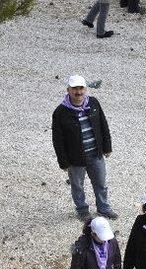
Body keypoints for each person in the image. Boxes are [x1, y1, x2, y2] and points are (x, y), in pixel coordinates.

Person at [52, 75, 118, 221]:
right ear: (68, 90)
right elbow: (58, 140)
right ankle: (82, 211)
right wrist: (63, 162)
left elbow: (103, 124)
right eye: (75, 88)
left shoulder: (93, 103)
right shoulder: (60, 113)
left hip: (96, 154)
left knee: (100, 184)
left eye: (81, 88)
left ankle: (104, 208)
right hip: (75, 159)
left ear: (85, 89)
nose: (78, 92)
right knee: (77, 186)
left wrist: (107, 147)